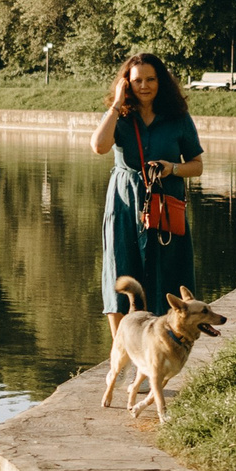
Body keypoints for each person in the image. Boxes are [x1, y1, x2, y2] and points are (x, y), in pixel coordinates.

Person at [90, 52, 203, 340]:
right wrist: (116, 104)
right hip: (125, 203)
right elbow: (99, 147)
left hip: (164, 205)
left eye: (151, 79)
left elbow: (197, 166)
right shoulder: (121, 117)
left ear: (160, 81)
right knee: (121, 271)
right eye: (137, 80)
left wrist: (172, 168)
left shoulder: (177, 118)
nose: (145, 86)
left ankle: (162, 346)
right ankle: (121, 351)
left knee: (165, 271)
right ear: (126, 83)